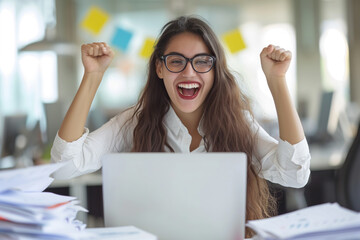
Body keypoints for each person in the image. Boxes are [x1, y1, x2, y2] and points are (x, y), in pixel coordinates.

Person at [51, 16, 310, 237]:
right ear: (160, 69)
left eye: (202, 61)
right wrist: (93, 76)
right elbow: (64, 166)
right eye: (176, 61)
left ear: (214, 70)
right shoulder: (134, 120)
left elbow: (294, 174)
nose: (189, 73)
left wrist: (277, 81)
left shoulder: (238, 122)